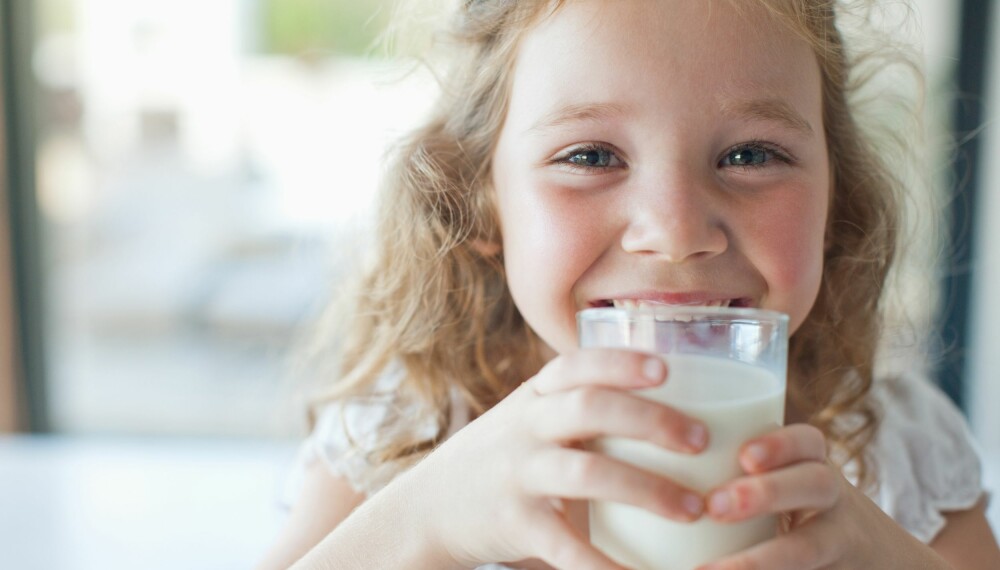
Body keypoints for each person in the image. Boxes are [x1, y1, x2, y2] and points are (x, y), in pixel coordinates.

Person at [258, 1, 1000, 568]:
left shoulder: (891, 449)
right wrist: (422, 524)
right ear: (478, 200)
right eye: (588, 156)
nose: (676, 232)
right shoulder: (404, 437)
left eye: (750, 154)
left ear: (837, 198)